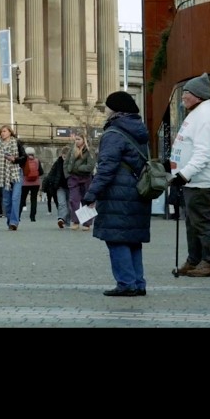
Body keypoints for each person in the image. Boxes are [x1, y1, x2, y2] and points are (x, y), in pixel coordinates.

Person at [82, 91, 152, 296]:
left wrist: (91, 193)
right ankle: (138, 283)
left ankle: (126, 283)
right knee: (133, 239)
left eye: (108, 106)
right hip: (137, 191)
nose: (105, 110)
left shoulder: (114, 134)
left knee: (117, 238)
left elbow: (106, 168)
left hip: (117, 194)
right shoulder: (139, 131)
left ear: (115, 109)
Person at [169, 73, 210, 277]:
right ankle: (194, 260)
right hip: (194, 180)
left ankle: (209, 262)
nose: (184, 96)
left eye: (188, 93)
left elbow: (203, 153)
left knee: (201, 222)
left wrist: (183, 174)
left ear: (199, 96)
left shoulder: (205, 117)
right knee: (192, 223)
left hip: (201, 180)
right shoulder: (198, 113)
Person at [62, 131, 96, 230]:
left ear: (83, 140)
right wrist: (67, 175)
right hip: (73, 178)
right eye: (76, 139)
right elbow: (66, 163)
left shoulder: (89, 151)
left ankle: (87, 223)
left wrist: (79, 168)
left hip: (85, 178)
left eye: (79, 139)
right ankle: (75, 221)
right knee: (73, 200)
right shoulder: (72, 150)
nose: (76, 141)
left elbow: (90, 166)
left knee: (87, 200)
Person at [0, 125, 26, 231]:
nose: (2, 133)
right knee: (7, 201)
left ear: (9, 132)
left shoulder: (16, 143)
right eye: (1, 132)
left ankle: (14, 222)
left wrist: (14, 159)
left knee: (15, 198)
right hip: (4, 175)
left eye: (4, 131)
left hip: (16, 173)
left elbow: (24, 157)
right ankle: (9, 220)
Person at [20, 146, 42, 222]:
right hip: (35, 183)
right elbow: (41, 172)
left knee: (22, 199)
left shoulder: (23, 161)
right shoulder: (37, 161)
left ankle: (18, 216)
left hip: (25, 183)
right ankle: (32, 217)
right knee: (34, 200)